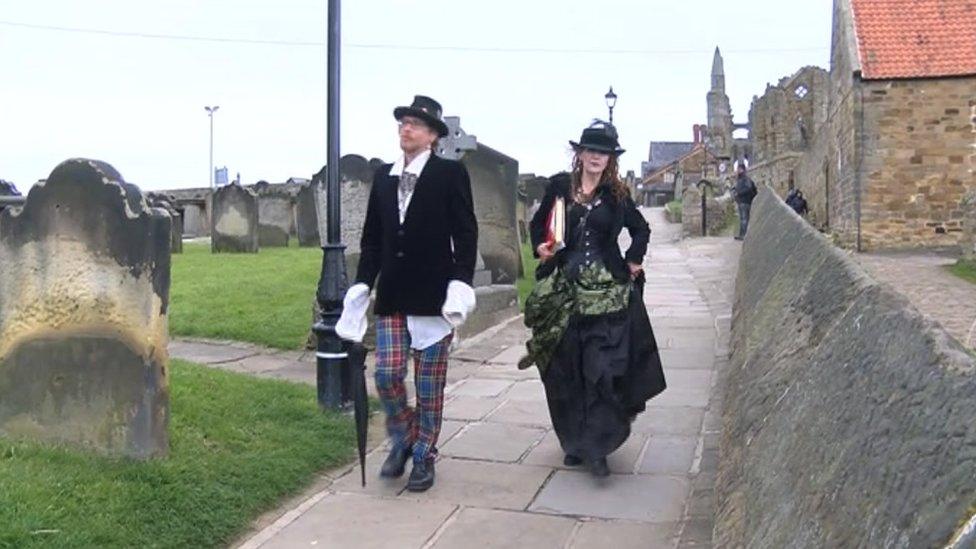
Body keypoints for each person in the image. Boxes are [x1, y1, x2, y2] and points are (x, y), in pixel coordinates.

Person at [335, 95, 478, 492]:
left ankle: (424, 454)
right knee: (387, 374)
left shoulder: (450, 174)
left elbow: (465, 233)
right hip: (395, 293)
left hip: (434, 295)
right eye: (403, 122)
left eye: (415, 124)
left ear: (432, 135)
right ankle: (403, 434)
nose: (406, 128)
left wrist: (461, 283)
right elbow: (373, 238)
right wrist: (364, 283)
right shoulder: (384, 176)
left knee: (429, 385)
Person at [520, 121, 666, 477]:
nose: (597, 157)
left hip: (607, 294)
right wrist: (541, 245)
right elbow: (538, 227)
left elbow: (641, 229)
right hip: (563, 291)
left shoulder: (617, 194)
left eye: (605, 152)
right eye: (592, 150)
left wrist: (633, 258)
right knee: (566, 370)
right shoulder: (559, 187)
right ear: (580, 154)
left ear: (610, 159)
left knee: (601, 369)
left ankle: (598, 446)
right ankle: (575, 441)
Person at [733, 163, 757, 240]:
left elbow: (749, 188)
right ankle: (741, 234)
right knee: (743, 218)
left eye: (738, 169)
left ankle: (744, 235)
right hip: (742, 201)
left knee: (744, 218)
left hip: (745, 201)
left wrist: (739, 193)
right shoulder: (740, 179)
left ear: (742, 169)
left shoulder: (745, 179)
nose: (737, 171)